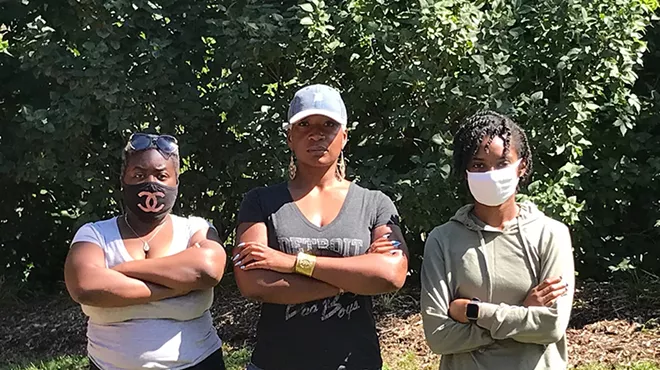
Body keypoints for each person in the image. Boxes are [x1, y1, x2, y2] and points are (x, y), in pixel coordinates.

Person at [233, 84, 409, 370]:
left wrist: (291, 263)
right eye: (304, 125)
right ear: (290, 137)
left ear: (344, 136)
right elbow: (255, 283)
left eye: (329, 124)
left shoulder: (375, 204)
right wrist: (352, 281)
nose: (316, 134)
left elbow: (390, 274)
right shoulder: (260, 202)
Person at [420, 111, 575, 370]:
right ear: (465, 169)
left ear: (521, 165)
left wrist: (474, 312)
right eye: (479, 165)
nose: (491, 174)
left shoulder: (550, 234)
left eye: (502, 164)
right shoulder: (442, 240)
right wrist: (522, 313)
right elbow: (439, 336)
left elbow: (551, 326)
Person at [64, 133, 227, 370]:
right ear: (123, 178)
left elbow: (207, 270)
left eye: (162, 176)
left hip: (197, 363)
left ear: (176, 181)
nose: (151, 183)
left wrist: (121, 271)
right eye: (139, 175)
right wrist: (180, 285)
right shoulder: (95, 234)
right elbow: (86, 287)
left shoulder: (196, 228)